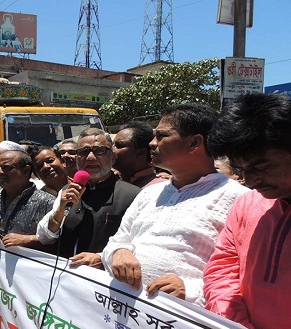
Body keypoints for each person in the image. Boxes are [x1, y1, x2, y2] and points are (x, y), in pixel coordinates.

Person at [101, 103, 248, 306]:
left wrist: (192, 291)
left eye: (161, 136)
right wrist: (119, 253)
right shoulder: (149, 194)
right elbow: (116, 241)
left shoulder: (239, 200)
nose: (152, 143)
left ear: (194, 143)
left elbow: (246, 279)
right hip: (125, 317)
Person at [203, 93, 291, 329]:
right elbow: (221, 271)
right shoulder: (247, 204)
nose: (250, 181)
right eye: (242, 171)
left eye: (262, 168)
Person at [37, 129, 141, 266]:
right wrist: (60, 210)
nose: (90, 157)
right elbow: (44, 237)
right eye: (83, 151)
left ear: (112, 156)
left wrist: (101, 258)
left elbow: (140, 247)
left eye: (99, 151)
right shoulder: (67, 191)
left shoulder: (135, 196)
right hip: (63, 279)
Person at [0, 149, 55, 250]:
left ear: (26, 170)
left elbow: (57, 241)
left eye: (6, 168)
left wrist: (29, 240)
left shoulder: (47, 203)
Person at [113, 121, 167, 188]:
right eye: (112, 145)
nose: (112, 150)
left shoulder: (159, 187)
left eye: (119, 146)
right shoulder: (110, 181)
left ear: (140, 154)